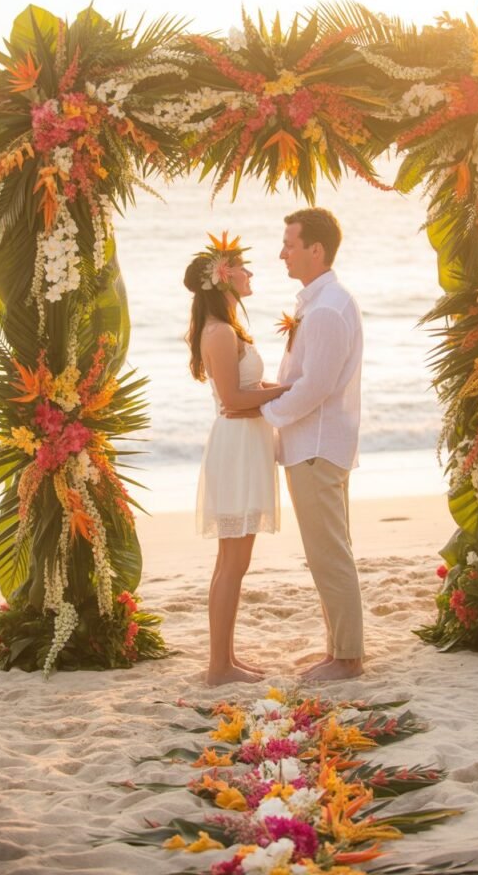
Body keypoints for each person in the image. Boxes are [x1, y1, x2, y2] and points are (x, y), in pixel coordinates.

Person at [226, 208, 365, 681]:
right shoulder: (321, 302)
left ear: (316, 250)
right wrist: (265, 391)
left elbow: (315, 387)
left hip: (316, 446)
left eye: (289, 243)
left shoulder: (326, 309)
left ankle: (347, 658)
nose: (281, 252)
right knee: (329, 549)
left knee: (328, 553)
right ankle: (338, 650)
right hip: (316, 442)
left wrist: (264, 412)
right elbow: (300, 379)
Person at [184, 232, 289, 686]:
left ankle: (224, 659)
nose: (250, 273)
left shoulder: (226, 328)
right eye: (243, 267)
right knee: (233, 563)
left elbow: (245, 395)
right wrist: (290, 392)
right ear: (223, 277)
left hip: (245, 441)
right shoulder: (221, 332)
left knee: (232, 562)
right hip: (237, 447)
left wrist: (276, 391)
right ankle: (219, 666)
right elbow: (231, 398)